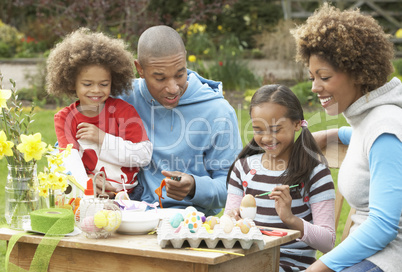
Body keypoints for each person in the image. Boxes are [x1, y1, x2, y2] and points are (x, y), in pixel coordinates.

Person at [292, 3, 402, 272]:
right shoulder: (372, 120)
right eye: (312, 77)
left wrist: (317, 269)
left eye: (324, 77)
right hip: (368, 256)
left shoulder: (385, 126)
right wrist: (331, 134)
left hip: (387, 259)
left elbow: (383, 227)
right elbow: (366, 137)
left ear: (358, 71)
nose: (315, 87)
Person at [118, 25, 242, 216]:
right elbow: (70, 151)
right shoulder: (123, 98)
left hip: (189, 226)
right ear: (139, 69)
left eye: (180, 74)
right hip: (129, 219)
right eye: (160, 78)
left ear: (185, 58)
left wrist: (194, 187)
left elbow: (233, 188)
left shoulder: (219, 112)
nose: (173, 88)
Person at [225, 84, 336, 271]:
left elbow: (328, 242)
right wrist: (231, 220)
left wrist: (291, 219)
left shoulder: (315, 173)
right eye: (259, 130)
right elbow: (228, 224)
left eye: (275, 129)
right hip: (245, 260)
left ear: (296, 124)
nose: (267, 138)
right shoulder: (243, 169)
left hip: (291, 264)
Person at [46, 28, 153, 199]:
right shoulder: (64, 118)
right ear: (72, 82)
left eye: (104, 84)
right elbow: (69, 161)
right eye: (87, 84)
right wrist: (87, 184)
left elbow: (143, 155)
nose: (96, 90)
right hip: (88, 193)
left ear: (113, 81)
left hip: (129, 195)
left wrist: (102, 138)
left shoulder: (124, 111)